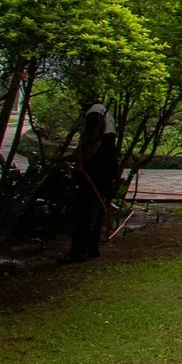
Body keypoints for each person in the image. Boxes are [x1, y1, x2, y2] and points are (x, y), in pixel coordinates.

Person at [61, 103, 118, 264]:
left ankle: (78, 251)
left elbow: (94, 141)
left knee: (85, 211)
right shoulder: (104, 111)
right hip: (109, 167)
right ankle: (92, 248)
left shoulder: (93, 114)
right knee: (98, 209)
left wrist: (82, 162)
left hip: (96, 169)